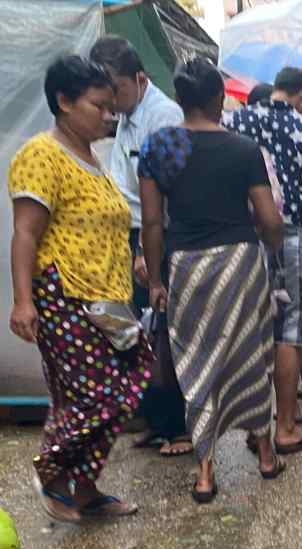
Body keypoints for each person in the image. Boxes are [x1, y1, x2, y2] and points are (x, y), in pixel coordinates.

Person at [8, 56, 153, 522]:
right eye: (98, 106)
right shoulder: (42, 154)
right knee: (98, 395)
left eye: (111, 107)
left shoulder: (93, 158)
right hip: (65, 294)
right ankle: (52, 472)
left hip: (107, 298)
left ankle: (86, 488)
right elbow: (26, 232)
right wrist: (23, 302)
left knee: (131, 377)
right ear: (64, 102)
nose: (108, 116)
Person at [138, 58, 286, 503]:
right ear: (220, 99)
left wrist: (156, 280)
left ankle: (205, 472)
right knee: (252, 355)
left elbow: (152, 223)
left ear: (179, 98)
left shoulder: (158, 147)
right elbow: (270, 220)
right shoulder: (244, 149)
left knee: (198, 361)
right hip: (240, 263)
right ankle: (265, 455)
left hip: (187, 266)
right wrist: (270, 247)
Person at [89, 36, 190, 458]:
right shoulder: (128, 116)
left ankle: (179, 428)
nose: (111, 101)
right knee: (138, 331)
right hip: (130, 235)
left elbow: (165, 194)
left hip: (155, 236)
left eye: (117, 89)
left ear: (140, 78)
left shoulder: (163, 116)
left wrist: (147, 252)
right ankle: (154, 418)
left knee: (165, 331)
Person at [226, 66, 302, 452]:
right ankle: (286, 427)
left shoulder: (235, 122)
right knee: (290, 332)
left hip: (245, 237)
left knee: (255, 331)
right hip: (295, 237)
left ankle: (257, 428)